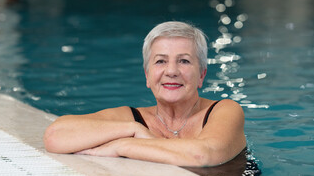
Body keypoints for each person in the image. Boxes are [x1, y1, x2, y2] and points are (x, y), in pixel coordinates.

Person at [44, 21, 246, 167]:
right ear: (147, 76)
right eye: (160, 61)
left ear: (202, 75)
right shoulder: (133, 120)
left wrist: (123, 146)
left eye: (184, 61)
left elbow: (202, 156)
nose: (171, 71)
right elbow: (55, 135)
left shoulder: (224, 110)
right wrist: (133, 128)